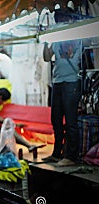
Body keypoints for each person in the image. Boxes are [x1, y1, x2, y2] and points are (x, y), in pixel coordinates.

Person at [42, 9, 82, 166]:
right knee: (56, 119)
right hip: (57, 81)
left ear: (71, 19)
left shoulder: (77, 35)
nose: (60, 21)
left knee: (71, 121)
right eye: (58, 18)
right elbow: (46, 58)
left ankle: (71, 157)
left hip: (71, 81)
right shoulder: (57, 37)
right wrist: (46, 40)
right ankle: (57, 153)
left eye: (63, 18)